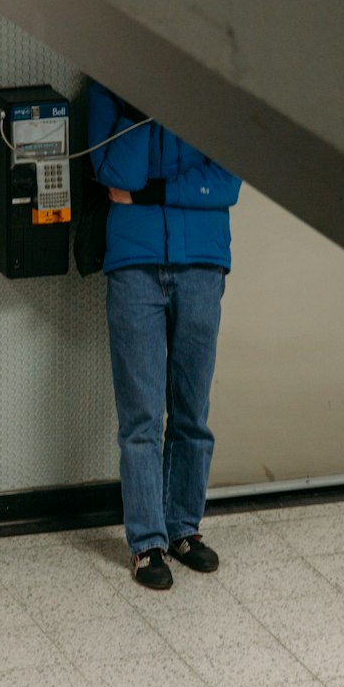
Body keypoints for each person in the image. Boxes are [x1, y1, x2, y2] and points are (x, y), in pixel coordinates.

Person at [87, 80, 242, 589]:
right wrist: (141, 111)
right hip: (134, 268)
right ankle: (147, 542)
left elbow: (226, 183)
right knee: (141, 418)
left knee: (192, 412)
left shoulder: (215, 91)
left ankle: (184, 530)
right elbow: (112, 174)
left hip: (201, 266)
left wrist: (151, 192)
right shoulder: (108, 91)